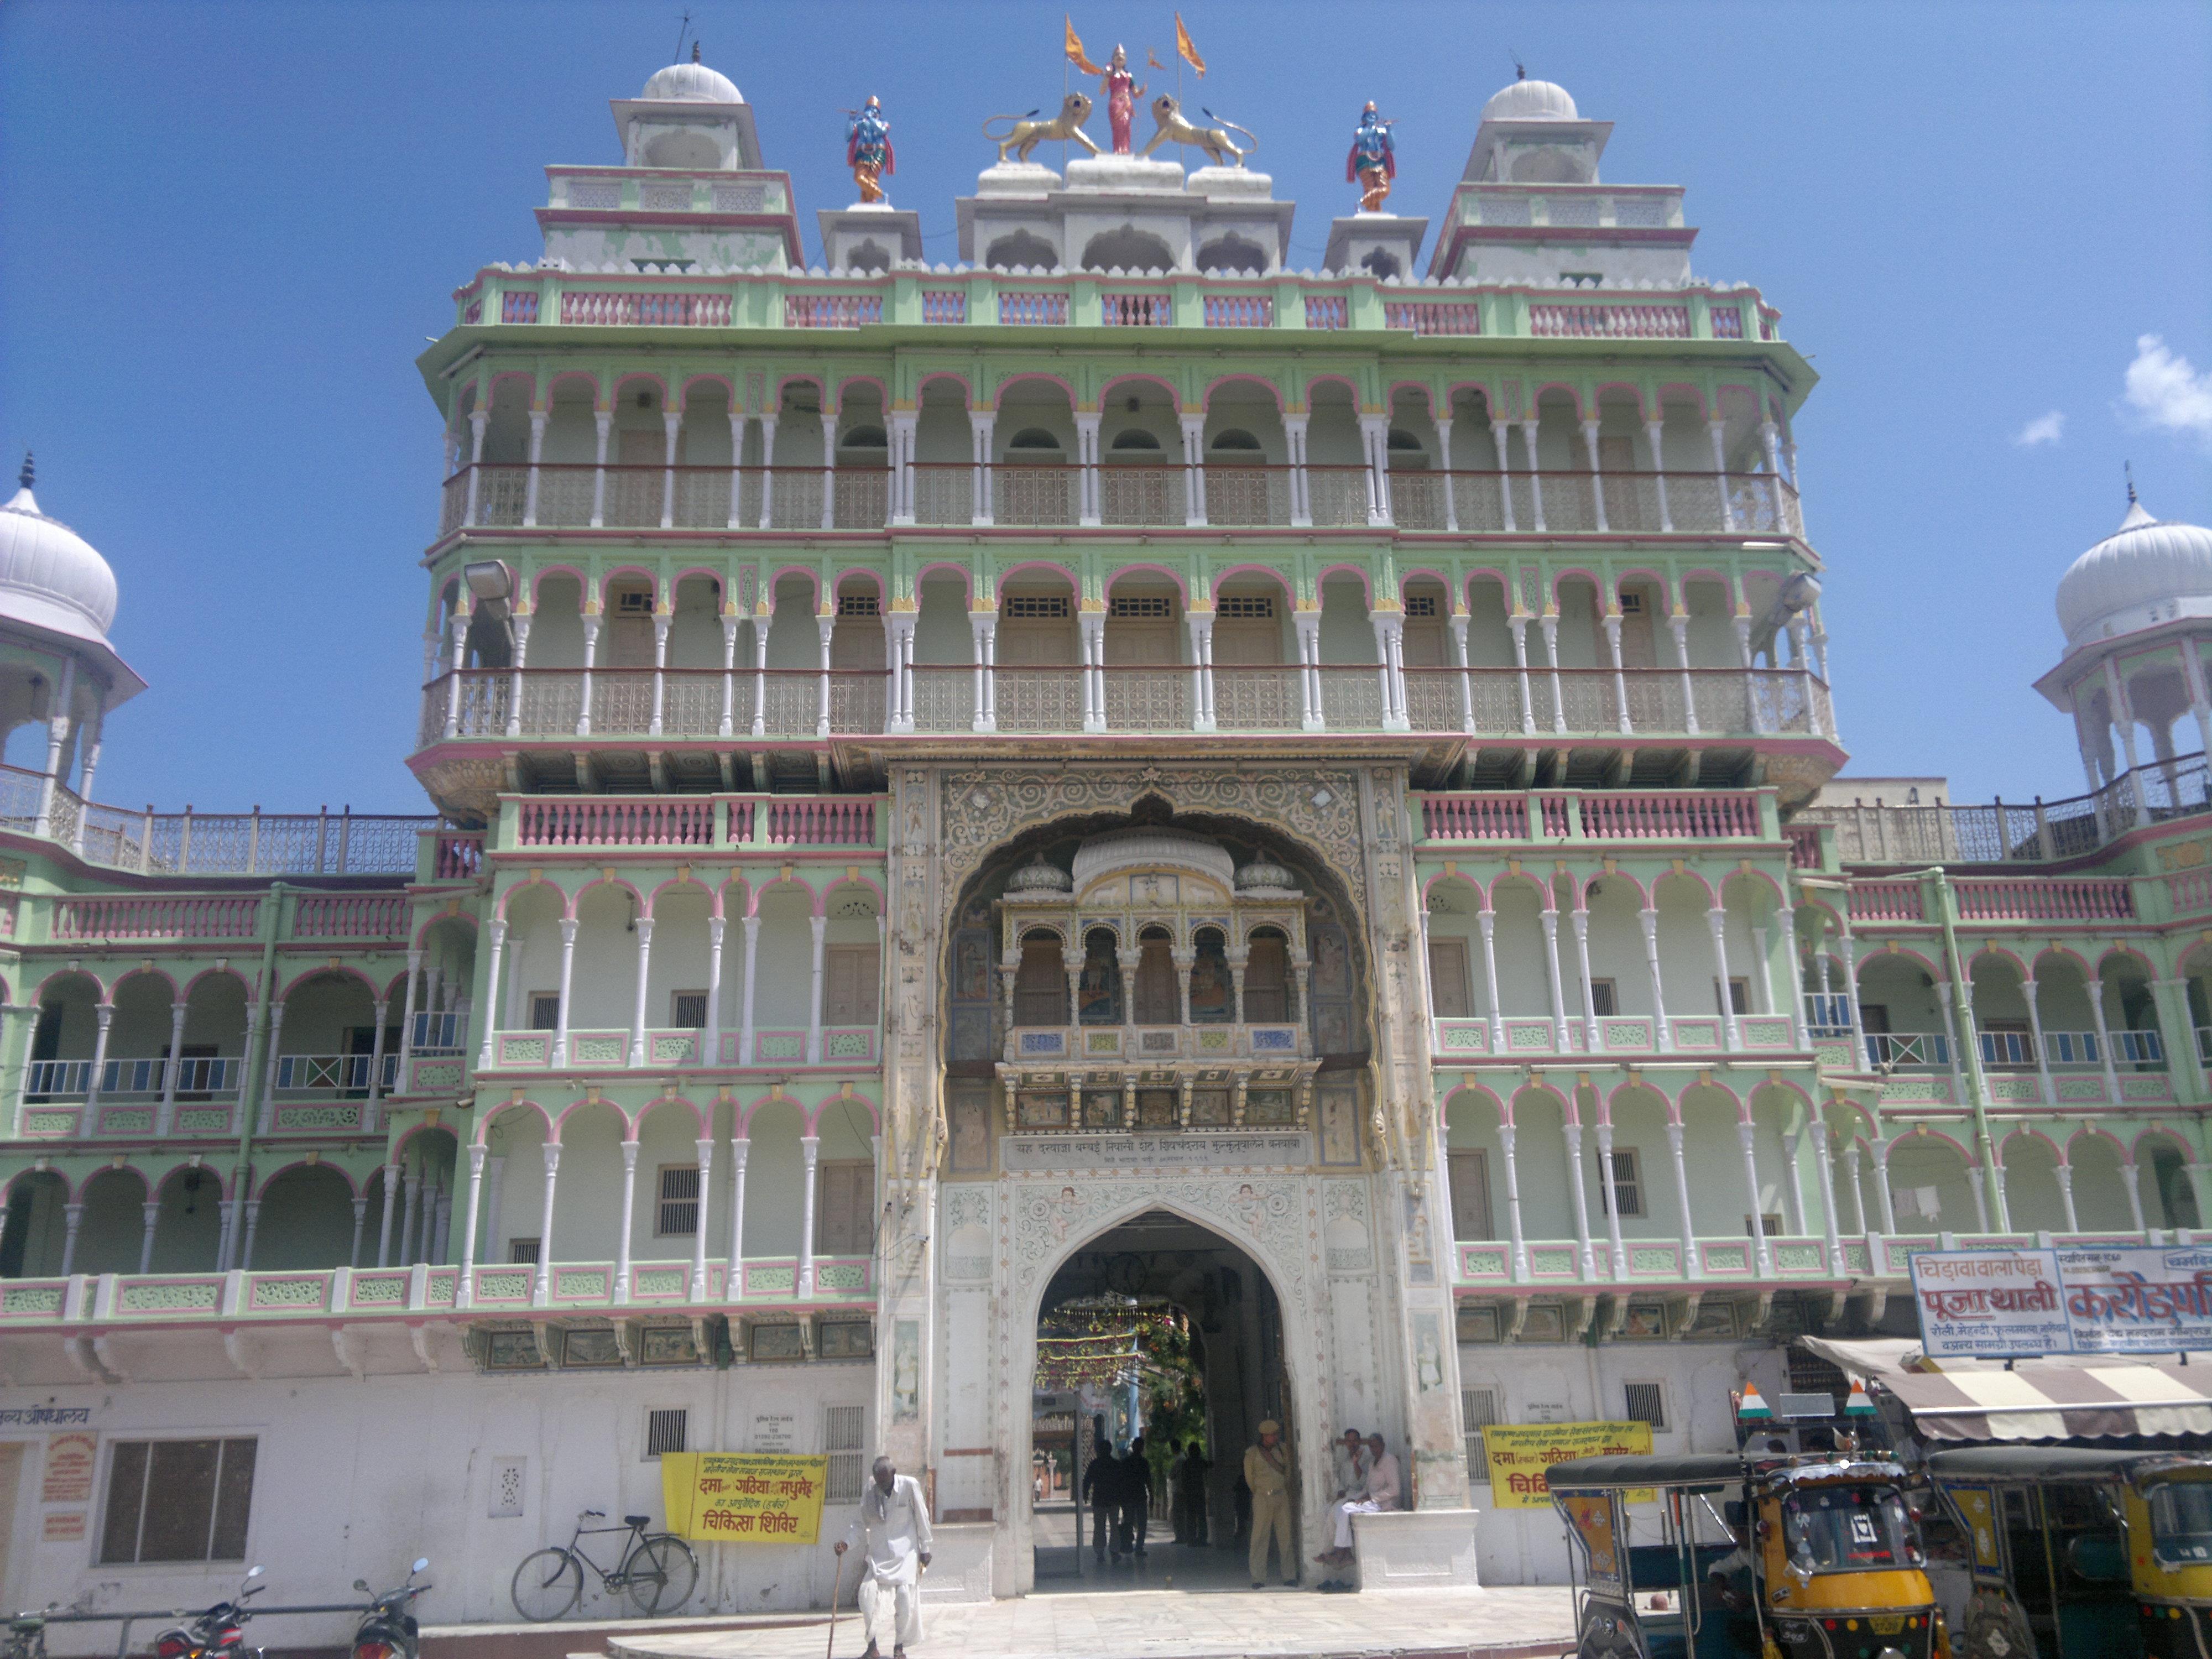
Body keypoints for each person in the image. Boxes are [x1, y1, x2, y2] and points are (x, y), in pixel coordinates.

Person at [834, 1456, 932, 1659]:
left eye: (886, 1483)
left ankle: (899, 1647)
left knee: (905, 1601)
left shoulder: (909, 1486)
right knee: (866, 1595)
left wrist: (925, 1548)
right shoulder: (870, 1491)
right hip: (879, 1557)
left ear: (894, 1473)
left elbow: (923, 1517)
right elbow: (859, 1524)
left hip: (906, 1556)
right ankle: (872, 1647)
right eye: (879, 1482)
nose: (883, 1487)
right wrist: (847, 1543)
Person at [1318, 1432, 1400, 1568]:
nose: (1374, 1449)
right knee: (1345, 1507)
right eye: (1372, 1447)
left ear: (1383, 1445)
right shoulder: (1373, 1462)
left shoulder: (1389, 1461)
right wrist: (1356, 1499)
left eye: (1377, 1446)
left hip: (1385, 1503)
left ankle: (1343, 1552)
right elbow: (1367, 1487)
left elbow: (1395, 1490)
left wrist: (1372, 1498)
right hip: (1370, 1500)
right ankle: (1340, 1551)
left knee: (1345, 1509)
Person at [1243, 1419, 1295, 1587]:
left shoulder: (1283, 1449)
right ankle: (1258, 1578)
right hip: (1262, 1498)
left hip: (1281, 1496)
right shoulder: (1252, 1453)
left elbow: (1288, 1473)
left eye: (1275, 1434)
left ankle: (1289, 1576)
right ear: (1264, 1436)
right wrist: (1260, 1492)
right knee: (1260, 1537)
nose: (1274, 1437)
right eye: (1271, 1435)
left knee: (1286, 1536)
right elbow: (1249, 1478)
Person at [1079, 1431, 1116, 1563]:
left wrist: (1085, 1494)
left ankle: (1100, 1552)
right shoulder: (1115, 1464)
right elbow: (1122, 1482)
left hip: (1100, 1500)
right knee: (1114, 1526)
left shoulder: (1095, 1464)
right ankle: (1114, 1551)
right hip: (1113, 1500)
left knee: (1100, 1527)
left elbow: (1087, 1481)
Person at [1119, 1435, 1152, 1558]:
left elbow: (1121, 1480)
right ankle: (1138, 1547)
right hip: (1137, 1496)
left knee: (1130, 1522)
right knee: (1140, 1523)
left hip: (1131, 1496)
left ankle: (1130, 1545)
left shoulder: (1126, 1462)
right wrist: (1152, 1495)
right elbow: (1148, 1480)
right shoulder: (1143, 1462)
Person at [1175, 1442, 1211, 1546]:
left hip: (1190, 1494)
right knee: (1201, 1517)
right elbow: (1209, 1465)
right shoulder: (1199, 1462)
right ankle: (1202, 1539)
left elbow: (1184, 1480)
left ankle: (1192, 1539)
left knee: (1191, 1517)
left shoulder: (1187, 1463)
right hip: (1198, 1493)